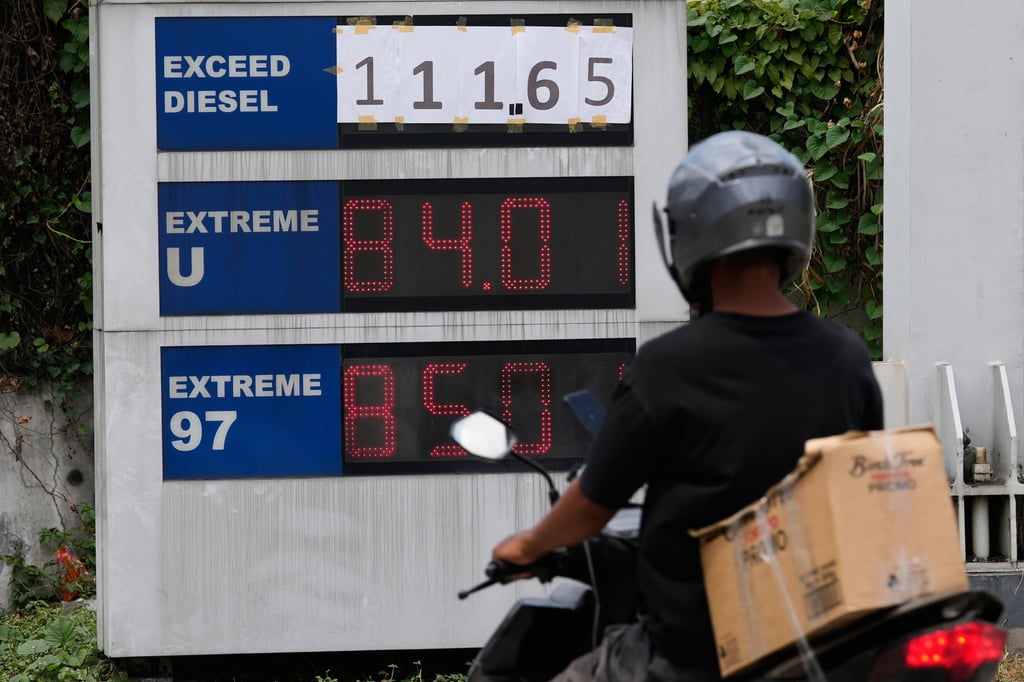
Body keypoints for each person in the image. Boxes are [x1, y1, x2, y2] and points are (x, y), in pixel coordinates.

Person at [491, 131, 884, 681]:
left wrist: (527, 544)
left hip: (692, 653)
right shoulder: (846, 358)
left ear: (689, 234)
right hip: (818, 644)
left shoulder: (668, 367)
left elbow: (595, 503)